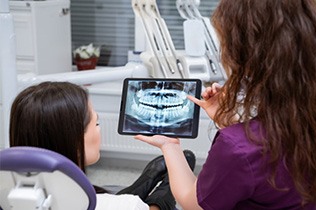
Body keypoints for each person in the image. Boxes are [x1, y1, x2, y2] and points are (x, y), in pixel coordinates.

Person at [134, 0, 316, 209]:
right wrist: (231, 125)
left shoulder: (239, 149)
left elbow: (193, 202)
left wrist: (169, 145)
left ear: (243, 56)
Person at [9, 81, 196, 210]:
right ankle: (162, 187)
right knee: (158, 202)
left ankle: (145, 181)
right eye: (96, 123)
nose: (99, 129)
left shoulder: (7, 198)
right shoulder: (126, 206)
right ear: (74, 140)